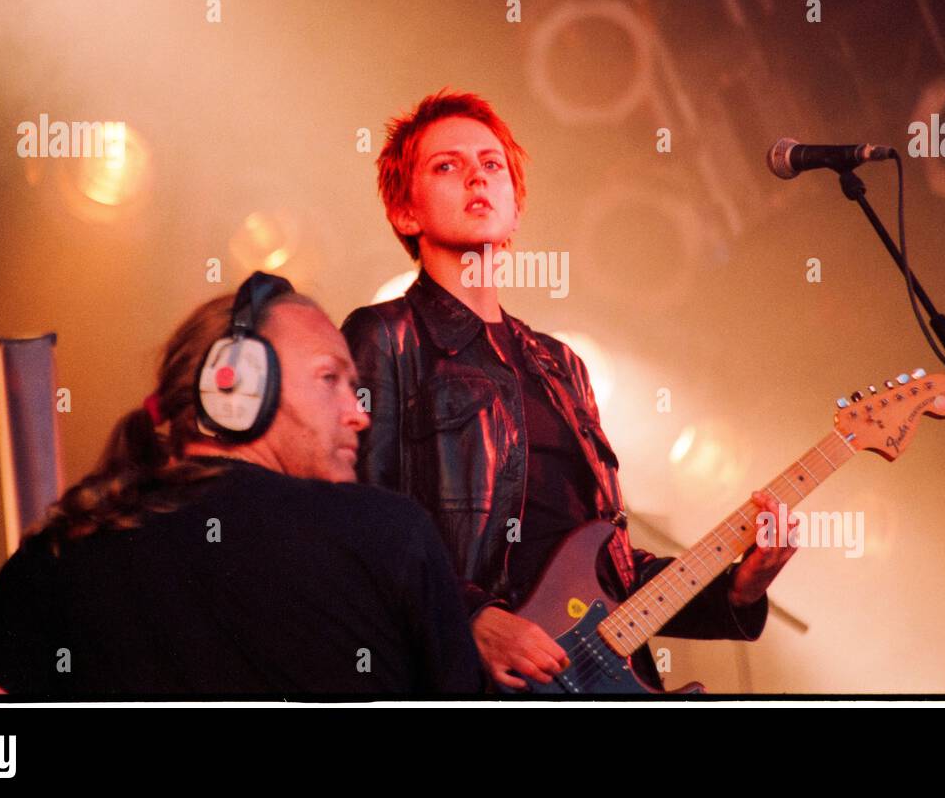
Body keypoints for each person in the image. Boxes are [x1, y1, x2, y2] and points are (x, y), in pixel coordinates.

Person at [342, 90, 800, 691]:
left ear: (515, 206)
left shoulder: (561, 366)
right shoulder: (386, 336)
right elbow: (356, 518)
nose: (477, 176)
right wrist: (470, 618)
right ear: (406, 214)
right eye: (447, 166)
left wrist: (739, 586)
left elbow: (612, 573)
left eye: (492, 164)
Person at [0, 273, 483, 699]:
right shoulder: (390, 534)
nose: (357, 413)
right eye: (330, 379)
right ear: (236, 385)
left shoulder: (61, 548)